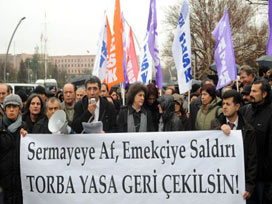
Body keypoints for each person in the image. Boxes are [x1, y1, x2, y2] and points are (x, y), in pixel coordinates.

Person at [211, 90, 257, 201]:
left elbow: (252, 161)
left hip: (239, 185)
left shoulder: (248, 130)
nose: (224, 107)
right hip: (220, 184)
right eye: (223, 104)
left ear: (237, 107)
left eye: (228, 104)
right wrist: (219, 129)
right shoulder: (216, 123)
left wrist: (249, 187)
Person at [241, 80, 272, 204]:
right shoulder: (246, 111)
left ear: (264, 94)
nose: (251, 94)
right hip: (248, 175)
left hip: (264, 178)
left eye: (254, 91)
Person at [0, 94, 24, 204]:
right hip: (3, 183)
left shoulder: (25, 127)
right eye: (8, 106)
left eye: (14, 106)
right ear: (4, 110)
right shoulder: (0, 128)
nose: (11, 109)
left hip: (20, 182)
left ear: (19, 109)